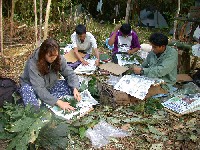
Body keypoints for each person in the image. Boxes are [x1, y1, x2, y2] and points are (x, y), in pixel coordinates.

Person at [19, 38, 81, 111]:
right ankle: (44, 101)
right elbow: (39, 88)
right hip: (33, 87)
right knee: (32, 106)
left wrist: (75, 88)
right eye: (50, 56)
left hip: (49, 85)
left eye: (55, 55)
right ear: (43, 53)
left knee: (72, 87)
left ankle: (45, 100)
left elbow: (70, 73)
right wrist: (58, 102)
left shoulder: (58, 58)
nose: (53, 58)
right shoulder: (33, 64)